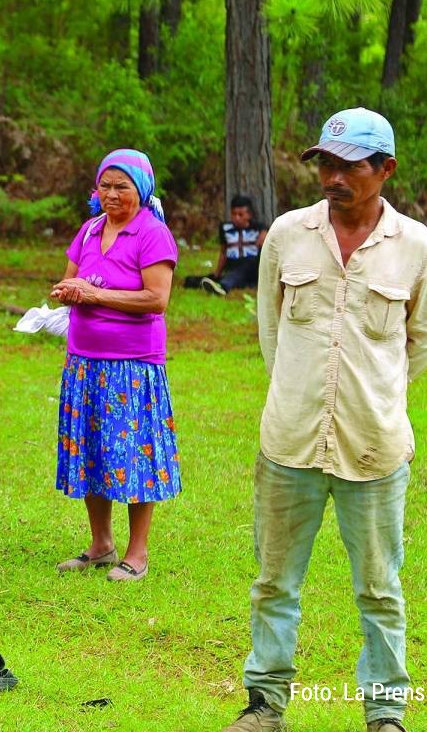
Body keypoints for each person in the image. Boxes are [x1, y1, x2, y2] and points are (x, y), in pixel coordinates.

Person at [223, 108, 427, 732]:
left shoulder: (419, 249)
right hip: (288, 439)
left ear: (386, 169)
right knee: (273, 583)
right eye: (325, 162)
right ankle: (264, 704)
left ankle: (386, 713)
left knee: (380, 590)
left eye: (349, 166)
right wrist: (300, 389)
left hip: (373, 447)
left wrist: (372, 392)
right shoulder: (288, 235)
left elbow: (423, 342)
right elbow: (272, 330)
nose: (332, 176)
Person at [50, 149, 181, 583]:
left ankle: (137, 553)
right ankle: (100, 544)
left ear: (141, 190)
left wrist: (93, 295)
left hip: (132, 366)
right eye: (105, 185)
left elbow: (156, 299)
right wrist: (67, 293)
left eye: (121, 186)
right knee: (92, 450)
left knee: (133, 454)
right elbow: (74, 280)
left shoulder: (152, 233)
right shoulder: (89, 231)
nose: (111, 193)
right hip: (85, 361)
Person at [201, 195, 268, 295]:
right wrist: (217, 273)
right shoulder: (225, 228)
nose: (237, 218)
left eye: (240, 215)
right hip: (233, 265)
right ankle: (220, 282)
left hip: (252, 267)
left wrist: (265, 233)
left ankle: (222, 287)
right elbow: (223, 252)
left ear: (249, 215)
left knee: (246, 265)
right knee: (234, 275)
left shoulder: (259, 228)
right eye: (234, 214)